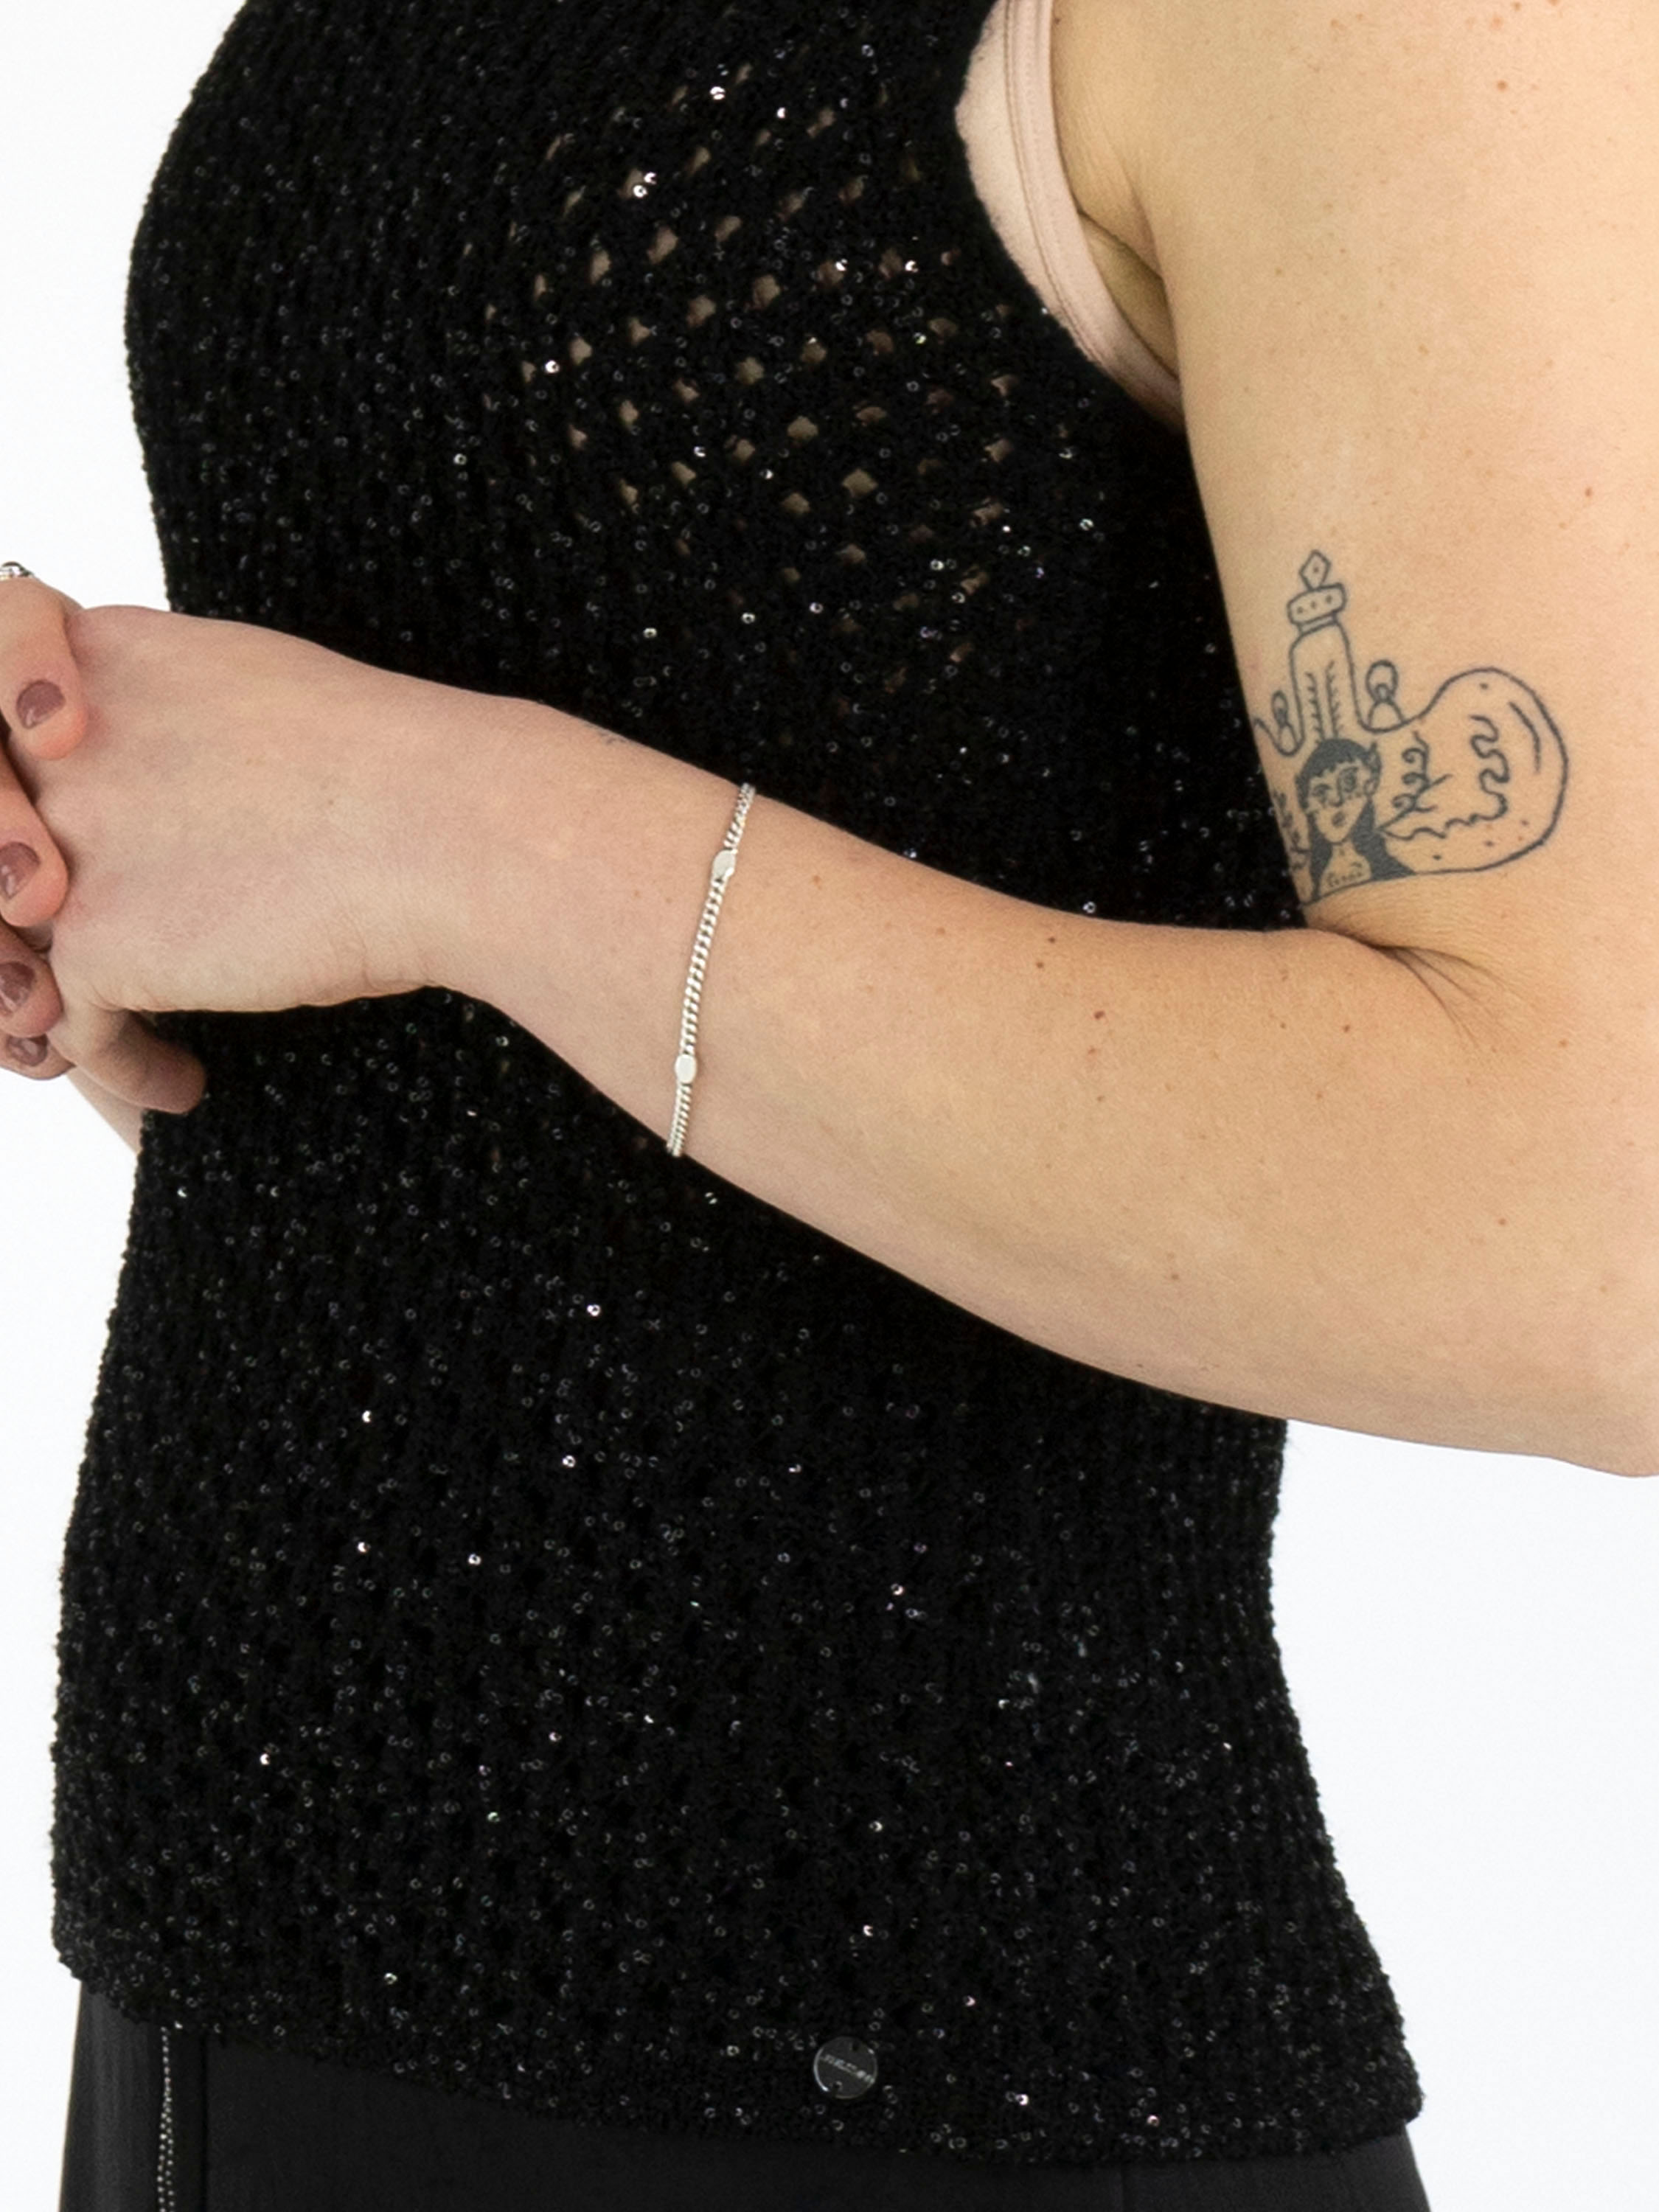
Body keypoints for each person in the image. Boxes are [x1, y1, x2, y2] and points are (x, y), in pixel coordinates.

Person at [3, 0, 1655, 2204]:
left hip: (918, 2077)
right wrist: (98, 844)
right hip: (214, 2001)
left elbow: (1600, 1235)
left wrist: (448, 835)